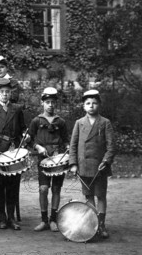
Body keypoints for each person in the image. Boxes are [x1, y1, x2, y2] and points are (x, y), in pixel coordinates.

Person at [69, 89, 116, 239]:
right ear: (83, 106)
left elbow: (111, 147)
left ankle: (101, 225)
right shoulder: (79, 123)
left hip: (99, 167)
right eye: (88, 103)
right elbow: (73, 145)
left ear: (99, 105)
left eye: (94, 103)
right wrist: (73, 164)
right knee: (88, 196)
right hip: (84, 166)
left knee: (101, 196)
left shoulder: (105, 123)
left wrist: (106, 161)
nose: (91, 106)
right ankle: (93, 224)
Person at [0, 78, 28, 230]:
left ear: (11, 93)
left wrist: (24, 134)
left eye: (7, 92)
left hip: (14, 149)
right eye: (1, 92)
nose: (5, 94)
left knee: (14, 183)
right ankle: (2, 216)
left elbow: (23, 127)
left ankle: (12, 217)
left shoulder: (17, 109)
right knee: (1, 183)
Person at [30, 87, 70, 232]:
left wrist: (67, 147)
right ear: (43, 103)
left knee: (56, 188)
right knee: (43, 188)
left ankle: (53, 219)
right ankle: (43, 220)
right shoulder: (36, 121)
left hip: (58, 157)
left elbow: (66, 139)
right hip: (43, 158)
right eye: (47, 102)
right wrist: (37, 147)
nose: (50, 105)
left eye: (53, 102)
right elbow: (29, 140)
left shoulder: (61, 122)